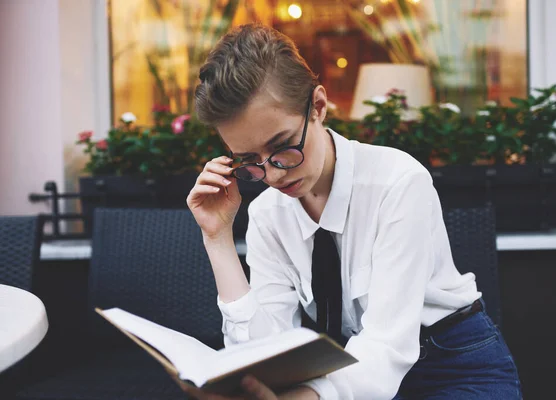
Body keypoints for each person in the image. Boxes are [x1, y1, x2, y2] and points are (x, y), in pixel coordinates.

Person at [184, 23, 521, 400]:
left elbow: (386, 346)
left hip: (453, 367)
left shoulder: (398, 182)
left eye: (281, 146)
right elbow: (266, 351)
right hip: (350, 376)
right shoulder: (267, 214)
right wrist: (217, 238)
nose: (273, 175)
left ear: (318, 106)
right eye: (250, 160)